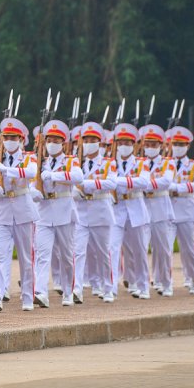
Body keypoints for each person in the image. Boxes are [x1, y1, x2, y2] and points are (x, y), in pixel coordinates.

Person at [0, 117, 38, 312]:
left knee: (26, 257)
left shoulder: (29, 157)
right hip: (3, 211)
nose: (9, 140)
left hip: (24, 211)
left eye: (13, 137)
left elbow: (31, 173)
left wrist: (6, 170)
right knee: (0, 255)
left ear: (20, 139)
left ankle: (27, 297)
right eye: (6, 137)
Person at [32, 120, 83, 308]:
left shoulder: (70, 160)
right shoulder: (40, 161)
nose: (52, 143)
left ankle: (69, 291)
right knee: (43, 254)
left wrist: (55, 176)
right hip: (44, 213)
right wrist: (33, 193)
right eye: (49, 140)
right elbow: (32, 184)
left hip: (64, 211)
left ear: (63, 143)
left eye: (56, 140)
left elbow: (79, 177)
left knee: (67, 255)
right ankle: (41, 291)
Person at [73, 121, 117, 303]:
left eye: (93, 139)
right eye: (86, 139)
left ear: (99, 142)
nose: (89, 142)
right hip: (81, 212)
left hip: (101, 211)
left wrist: (86, 184)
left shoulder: (108, 163)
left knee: (102, 252)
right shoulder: (77, 162)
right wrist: (75, 191)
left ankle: (108, 287)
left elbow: (111, 184)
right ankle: (76, 289)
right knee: (78, 251)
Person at [110, 123, 151, 300]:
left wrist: (119, 181)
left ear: (134, 145)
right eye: (121, 142)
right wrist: (127, 181)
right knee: (112, 249)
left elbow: (144, 182)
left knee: (139, 251)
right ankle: (110, 288)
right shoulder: (110, 162)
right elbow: (107, 181)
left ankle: (143, 286)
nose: (124, 146)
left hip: (135, 209)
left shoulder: (142, 162)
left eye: (127, 142)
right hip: (117, 209)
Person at [166, 127, 194, 293]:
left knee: (188, 248)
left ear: (188, 146)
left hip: (186, 209)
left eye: (181, 144)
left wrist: (176, 187)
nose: (178, 147)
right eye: (175, 143)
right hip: (167, 209)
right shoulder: (165, 162)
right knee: (165, 247)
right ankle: (166, 282)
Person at [139, 124, 176, 297]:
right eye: (147, 144)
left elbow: (166, 182)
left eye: (154, 145)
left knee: (163, 249)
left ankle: (166, 283)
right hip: (143, 208)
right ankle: (144, 285)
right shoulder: (139, 162)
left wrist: (143, 183)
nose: (150, 148)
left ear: (161, 146)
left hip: (161, 208)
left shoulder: (167, 162)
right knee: (141, 247)